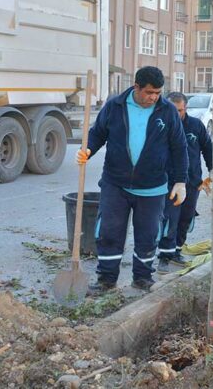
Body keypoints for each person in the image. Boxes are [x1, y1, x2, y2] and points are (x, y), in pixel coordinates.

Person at [76, 67, 188, 292]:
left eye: (157, 93)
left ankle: (143, 278)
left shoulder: (166, 111)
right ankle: (106, 279)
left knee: (147, 235)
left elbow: (179, 147)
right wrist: (87, 149)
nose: (154, 97)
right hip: (115, 183)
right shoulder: (115, 106)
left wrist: (180, 181)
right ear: (136, 87)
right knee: (109, 232)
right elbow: (98, 132)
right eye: (149, 92)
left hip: (153, 186)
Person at [157, 92, 213, 273]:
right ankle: (165, 256)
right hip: (169, 182)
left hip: (193, 181)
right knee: (169, 218)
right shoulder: (161, 126)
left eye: (180, 110)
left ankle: (177, 251)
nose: (176, 114)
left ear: (186, 108)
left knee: (186, 218)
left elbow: (208, 148)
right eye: (173, 110)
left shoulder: (196, 126)